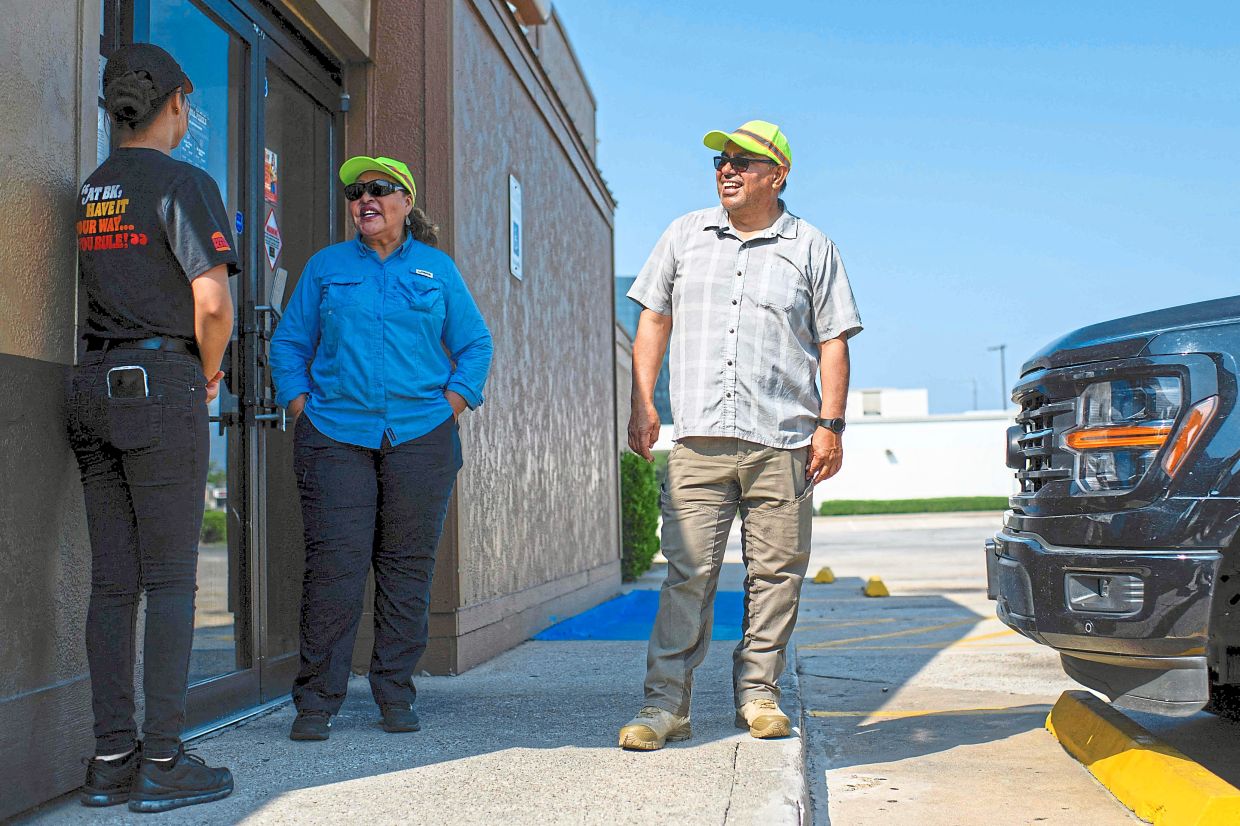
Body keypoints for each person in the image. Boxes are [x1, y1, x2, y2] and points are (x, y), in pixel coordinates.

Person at [619, 120, 862, 750]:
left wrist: (830, 427)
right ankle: (664, 706)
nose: (727, 170)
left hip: (783, 439)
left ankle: (760, 694)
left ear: (777, 176)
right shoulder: (684, 235)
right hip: (698, 438)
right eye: (722, 161)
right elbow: (653, 319)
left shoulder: (812, 246)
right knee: (687, 573)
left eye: (744, 162)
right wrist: (643, 401)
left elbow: (833, 341)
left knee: (776, 575)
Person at [270, 155, 493, 742]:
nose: (364, 199)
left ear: (405, 202)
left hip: (420, 439)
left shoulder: (437, 271)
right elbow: (289, 343)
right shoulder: (326, 268)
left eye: (378, 189)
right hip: (335, 437)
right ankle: (316, 702)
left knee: (406, 573)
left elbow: (475, 344)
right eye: (355, 192)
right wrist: (301, 408)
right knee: (334, 570)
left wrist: (451, 405)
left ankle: (395, 692)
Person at [69, 43, 237, 811]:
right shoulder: (184, 182)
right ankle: (164, 762)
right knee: (171, 581)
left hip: (89, 387)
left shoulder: (93, 189)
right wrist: (207, 371)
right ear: (177, 102)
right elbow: (212, 303)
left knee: (113, 585)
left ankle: (111, 759)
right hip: (157, 383)